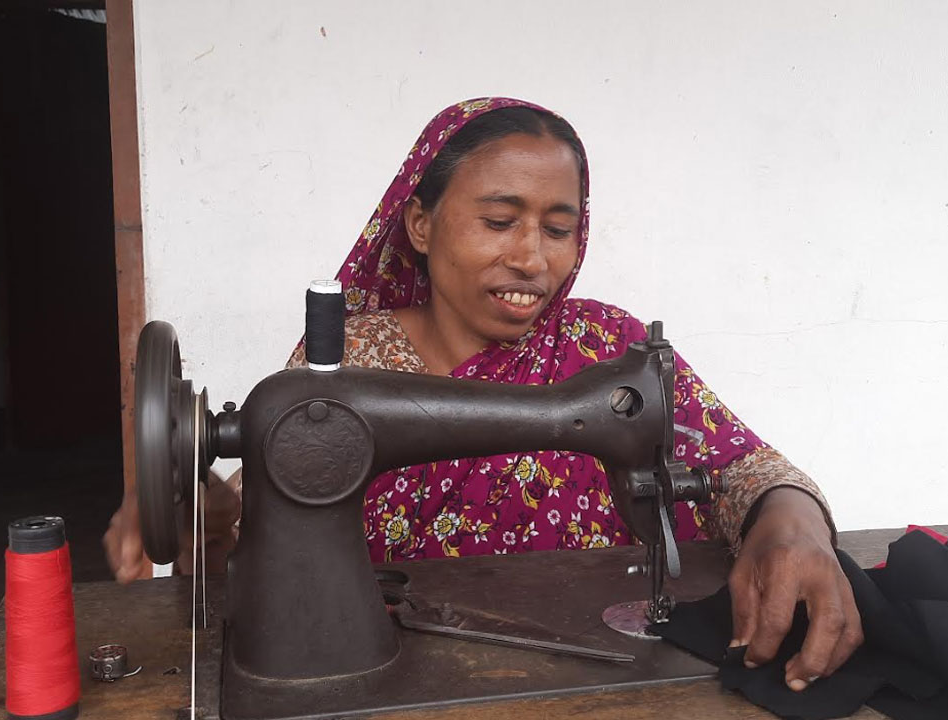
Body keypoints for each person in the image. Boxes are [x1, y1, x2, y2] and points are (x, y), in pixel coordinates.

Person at [105, 97, 861, 692]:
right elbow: (269, 520)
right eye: (500, 221)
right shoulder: (350, 359)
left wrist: (792, 525)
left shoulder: (606, 348)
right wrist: (199, 507)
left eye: (558, 230)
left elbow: (744, 469)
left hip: (589, 675)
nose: (532, 257)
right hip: (391, 677)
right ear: (422, 224)